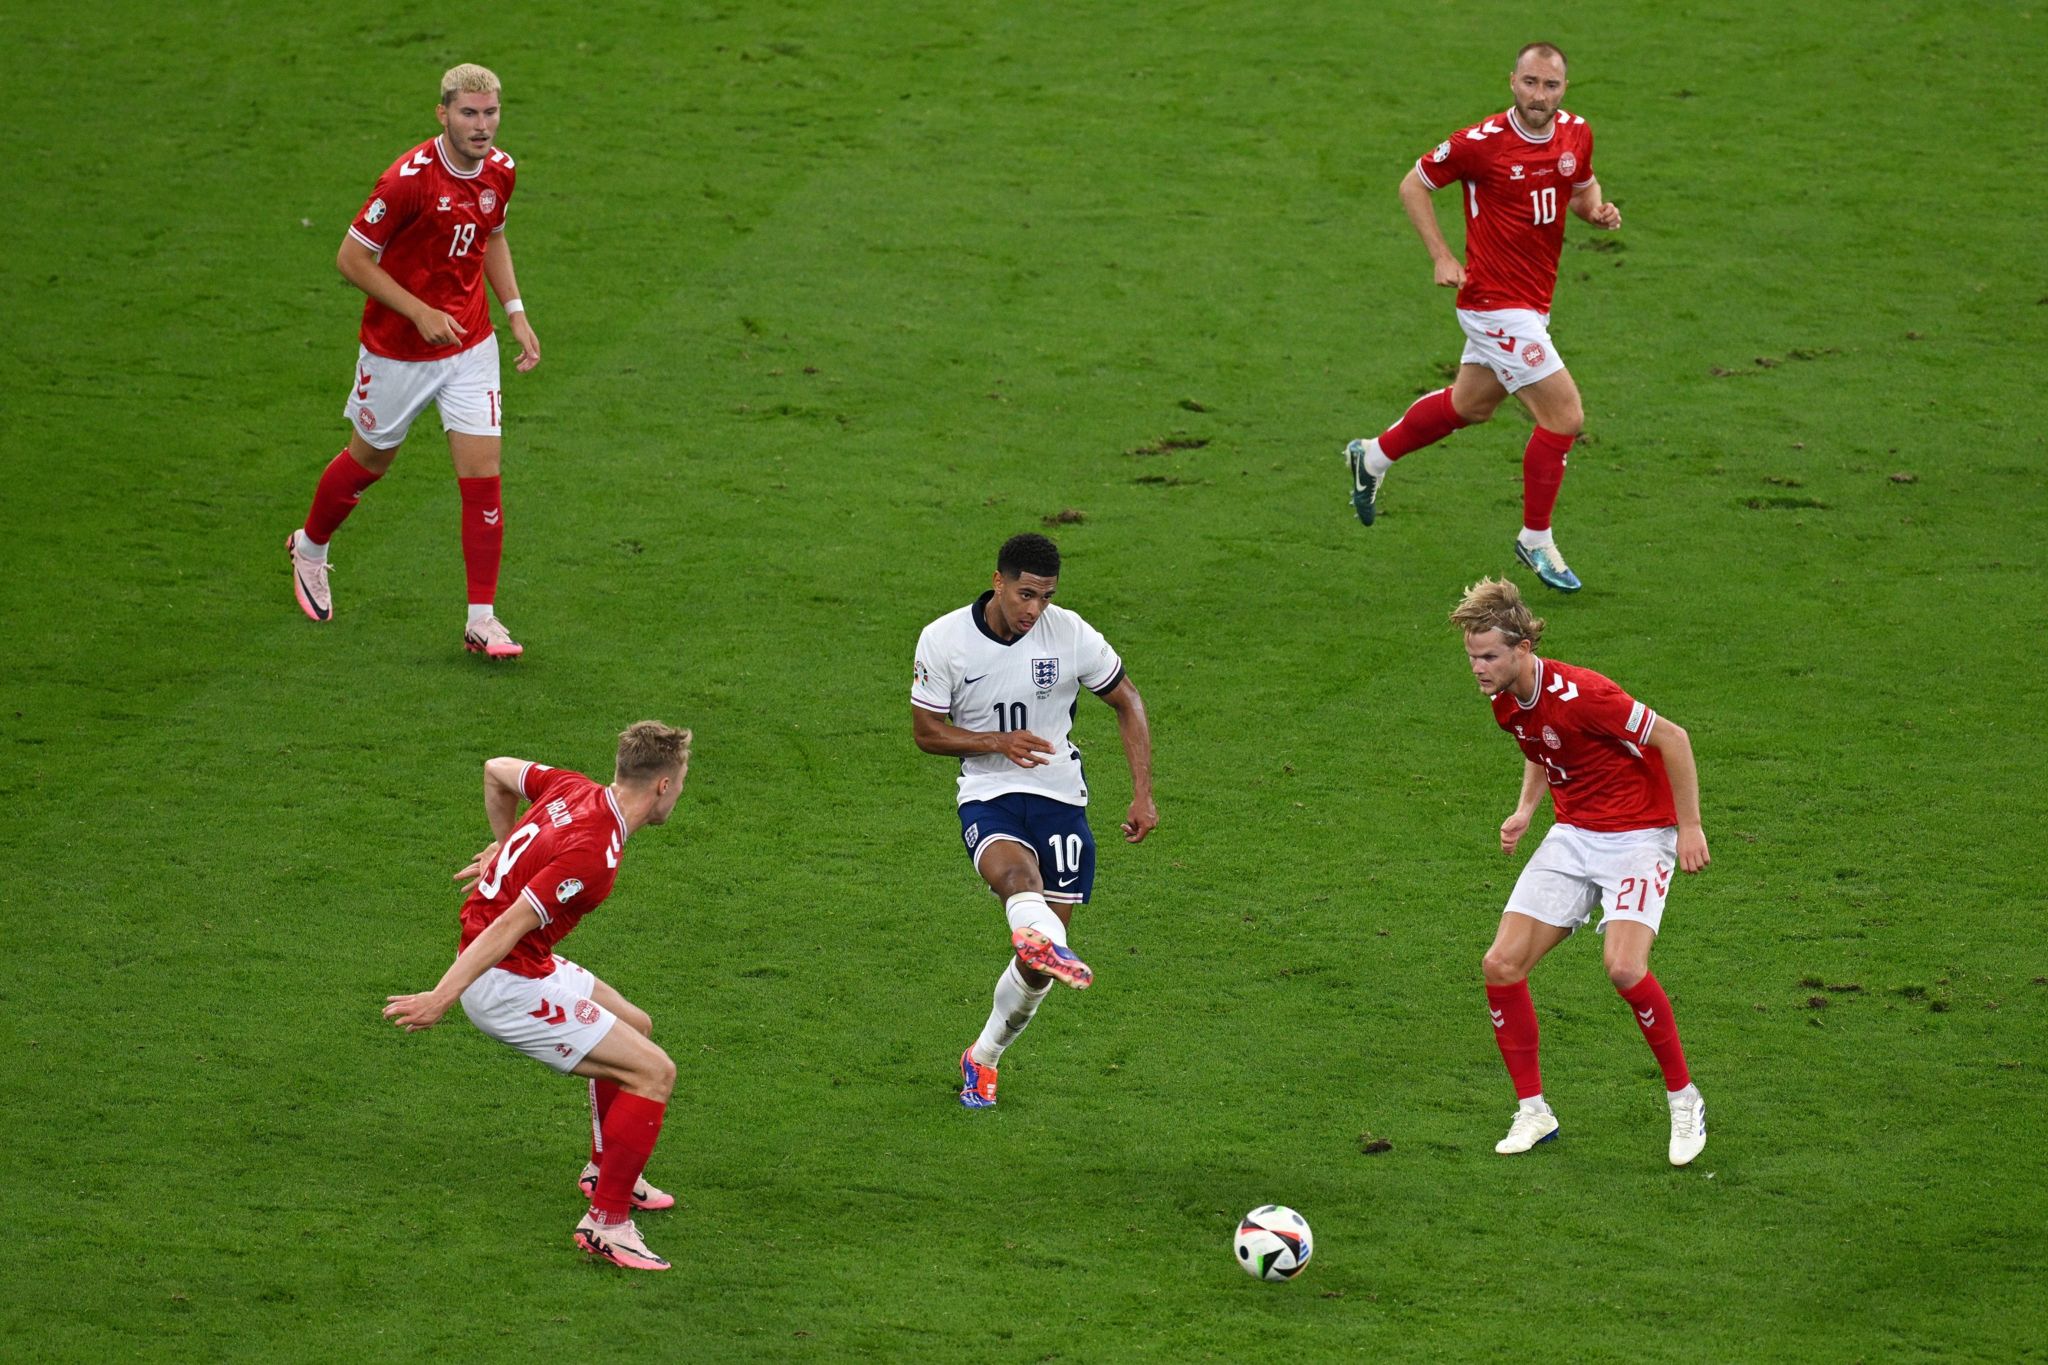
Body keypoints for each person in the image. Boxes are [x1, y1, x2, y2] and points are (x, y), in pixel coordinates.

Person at [382, 721, 692, 1270]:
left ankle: (604, 1168)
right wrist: (441, 998)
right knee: (654, 1072)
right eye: (684, 778)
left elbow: (496, 769)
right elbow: (507, 926)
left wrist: (505, 850)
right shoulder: (593, 853)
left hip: (528, 963)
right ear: (663, 785)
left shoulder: (576, 788)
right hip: (505, 983)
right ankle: (607, 1223)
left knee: (635, 1026)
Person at [1344, 42, 1622, 594]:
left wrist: (1596, 211)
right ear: (1511, 82)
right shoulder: (1480, 144)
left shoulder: (1576, 132)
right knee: (1564, 416)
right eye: (1530, 83)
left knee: (1469, 405)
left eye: (1550, 85)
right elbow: (1413, 184)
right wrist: (1443, 256)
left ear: (1564, 88)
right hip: (1494, 303)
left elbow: (1583, 187)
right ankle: (1535, 539)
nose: (1539, 95)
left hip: (1533, 302)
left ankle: (1371, 457)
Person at [1449, 578, 1710, 1165]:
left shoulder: (1585, 693)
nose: (1479, 668)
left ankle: (1683, 1098)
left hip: (1641, 835)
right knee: (1501, 964)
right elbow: (1544, 750)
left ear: (1522, 648)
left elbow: (1674, 738)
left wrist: (1689, 827)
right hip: (1574, 836)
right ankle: (1534, 1111)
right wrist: (1525, 811)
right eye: (1472, 657)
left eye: (1489, 656)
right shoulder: (1503, 700)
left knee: (1622, 966)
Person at [287, 62, 541, 657]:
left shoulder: (500, 170)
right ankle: (311, 546)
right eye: (469, 114)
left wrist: (516, 311)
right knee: (370, 459)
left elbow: (492, 236)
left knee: (483, 475)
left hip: (470, 344)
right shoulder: (407, 181)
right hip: (398, 350)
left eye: (491, 113)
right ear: (443, 114)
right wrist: (419, 312)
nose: (482, 126)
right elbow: (350, 259)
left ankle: (482, 619)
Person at [912, 533, 1158, 1109]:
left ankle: (984, 1056)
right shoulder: (943, 639)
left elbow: (1128, 701)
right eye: (1025, 594)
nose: (1034, 610)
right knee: (1018, 884)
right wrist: (996, 741)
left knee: (1039, 964)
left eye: (1045, 597)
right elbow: (926, 732)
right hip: (989, 790)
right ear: (997, 581)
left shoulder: (1070, 632)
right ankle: (1042, 937)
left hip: (1060, 797)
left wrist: (1142, 794)